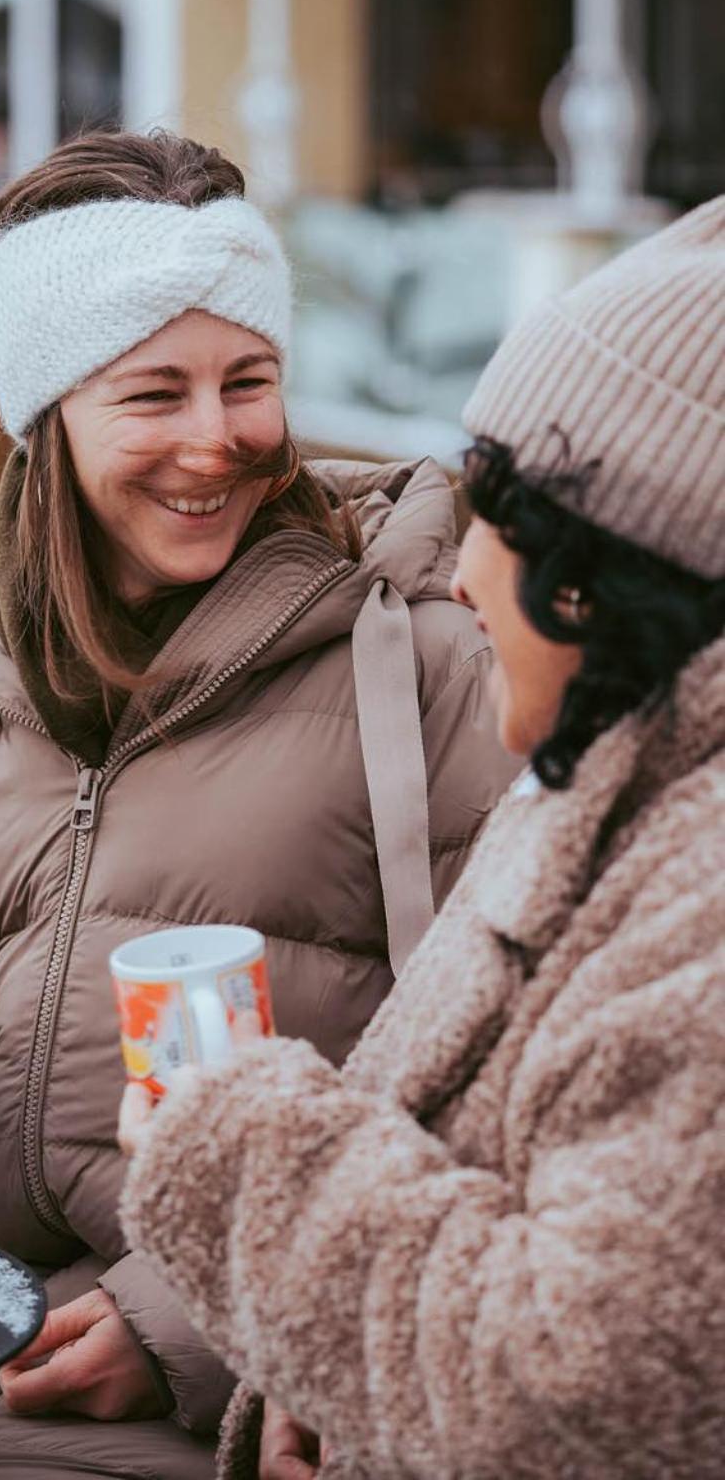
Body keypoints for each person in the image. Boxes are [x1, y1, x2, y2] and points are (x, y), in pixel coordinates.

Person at [0, 129, 514, 1480]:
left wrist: (186, 1323)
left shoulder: (418, 651)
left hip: (242, 1374)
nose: (217, 438)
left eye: (248, 379)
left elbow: (486, 1083)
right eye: (155, 392)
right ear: (49, 409)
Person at [119, 196, 725, 1480]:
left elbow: (588, 1394)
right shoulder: (604, 781)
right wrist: (338, 1388)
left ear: (609, 564)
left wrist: (238, 1149)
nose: (462, 572)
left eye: (498, 511)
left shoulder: (699, 884)